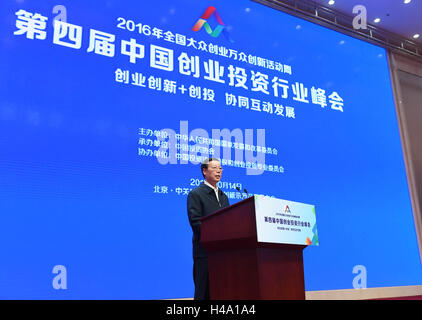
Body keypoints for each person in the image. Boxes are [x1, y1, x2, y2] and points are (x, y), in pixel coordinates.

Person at [187, 157, 230, 300]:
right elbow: (195, 223)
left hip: (223, 253)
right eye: (214, 168)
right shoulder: (196, 194)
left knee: (221, 291)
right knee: (204, 293)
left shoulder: (224, 196)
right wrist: (217, 235)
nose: (219, 171)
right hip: (204, 253)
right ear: (204, 171)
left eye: (220, 168)